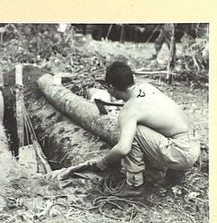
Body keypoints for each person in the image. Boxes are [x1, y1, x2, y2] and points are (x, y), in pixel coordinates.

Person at [52, 61, 200, 197]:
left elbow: (123, 148)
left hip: (182, 153)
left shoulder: (129, 111)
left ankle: (134, 185)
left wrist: (103, 162)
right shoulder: (147, 87)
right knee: (150, 125)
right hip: (193, 144)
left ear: (111, 87)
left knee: (132, 132)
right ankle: (173, 175)